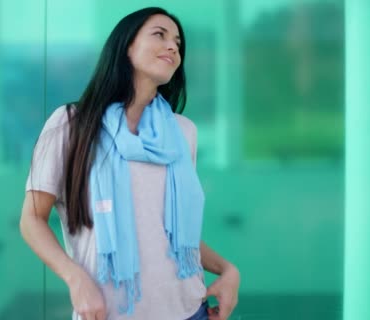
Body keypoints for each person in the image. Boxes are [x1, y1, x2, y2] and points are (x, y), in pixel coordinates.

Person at [20, 7, 240, 320]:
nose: (173, 47)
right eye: (160, 35)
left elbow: (173, 233)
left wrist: (227, 269)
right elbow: (31, 219)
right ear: (126, 46)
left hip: (190, 310)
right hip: (109, 313)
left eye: (178, 42)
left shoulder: (181, 132)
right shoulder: (70, 125)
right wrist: (75, 279)